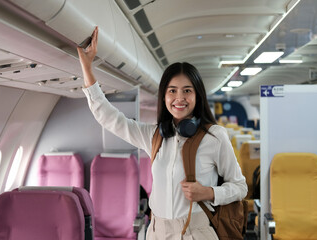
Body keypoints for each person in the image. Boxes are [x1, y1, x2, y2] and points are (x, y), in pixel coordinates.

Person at [78, 27, 247, 240]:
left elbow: (240, 187)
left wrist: (210, 193)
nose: (179, 98)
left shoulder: (214, 136)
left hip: (197, 231)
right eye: (172, 90)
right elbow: (109, 117)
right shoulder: (154, 135)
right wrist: (87, 67)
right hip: (158, 231)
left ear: (197, 96)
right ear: (164, 96)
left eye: (187, 90)